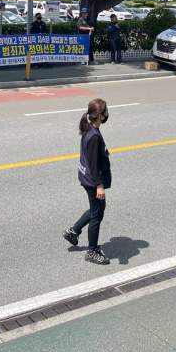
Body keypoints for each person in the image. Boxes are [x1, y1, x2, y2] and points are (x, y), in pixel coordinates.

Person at [63, 98, 112, 265]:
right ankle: (92, 251)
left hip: (86, 177)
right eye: (105, 112)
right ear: (100, 116)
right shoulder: (94, 136)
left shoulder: (89, 127)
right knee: (97, 214)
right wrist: (99, 185)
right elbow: (93, 164)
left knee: (96, 209)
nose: (107, 115)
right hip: (92, 181)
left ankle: (73, 231)